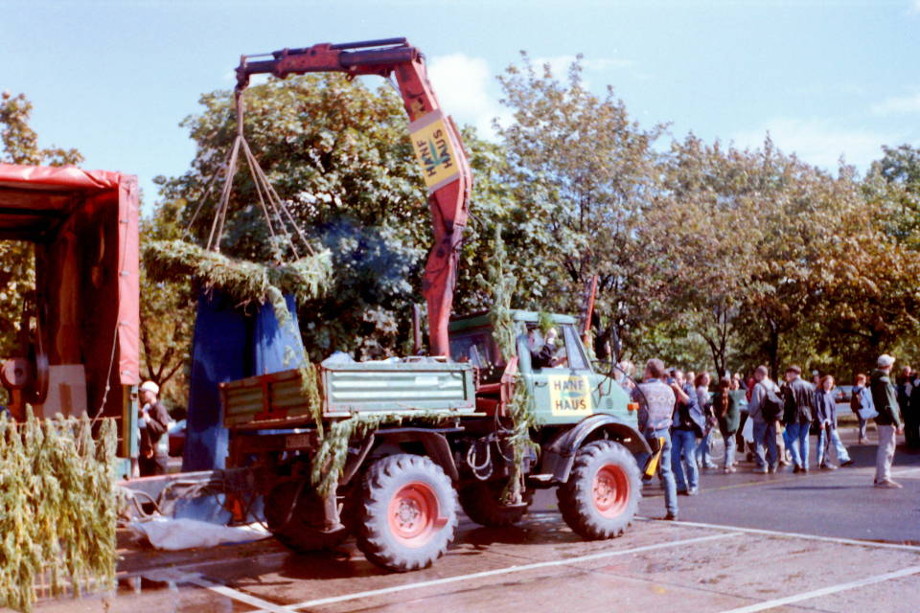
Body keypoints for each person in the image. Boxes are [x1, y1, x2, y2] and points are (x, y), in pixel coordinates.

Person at [633, 359, 678, 520]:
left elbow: (633, 410)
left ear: (649, 372)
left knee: (635, 471)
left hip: (647, 434)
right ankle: (672, 509)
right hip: (664, 433)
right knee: (666, 471)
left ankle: (630, 507)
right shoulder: (669, 390)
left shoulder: (641, 389)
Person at [669, 369, 705, 496]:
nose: (677, 381)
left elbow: (690, 402)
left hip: (688, 429)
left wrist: (678, 389)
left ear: (683, 380)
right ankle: (680, 484)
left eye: (679, 379)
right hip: (675, 429)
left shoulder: (688, 389)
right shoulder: (669, 391)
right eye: (675, 379)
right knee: (673, 458)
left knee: (690, 458)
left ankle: (693, 485)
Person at [871, 354, 903, 488]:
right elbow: (889, 404)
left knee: (884, 447)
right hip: (886, 420)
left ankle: (880, 476)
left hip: (882, 418)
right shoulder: (884, 381)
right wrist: (897, 422)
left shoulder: (879, 379)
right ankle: (883, 478)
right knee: (887, 449)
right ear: (888, 366)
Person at [782, 365, 816, 474]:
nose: (787, 375)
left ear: (793, 373)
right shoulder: (809, 385)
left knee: (791, 439)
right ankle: (805, 464)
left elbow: (788, 405)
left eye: (788, 373)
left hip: (794, 415)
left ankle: (797, 461)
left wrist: (784, 418)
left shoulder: (790, 386)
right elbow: (813, 403)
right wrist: (813, 416)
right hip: (807, 415)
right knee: (804, 439)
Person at [815, 375, 852, 470]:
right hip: (823, 423)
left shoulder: (830, 394)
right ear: (822, 383)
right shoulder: (819, 394)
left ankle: (841, 459)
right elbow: (817, 409)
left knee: (832, 442)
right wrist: (820, 421)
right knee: (824, 443)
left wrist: (834, 422)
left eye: (830, 383)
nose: (829, 385)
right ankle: (823, 461)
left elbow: (833, 410)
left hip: (830, 423)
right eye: (827, 382)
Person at [749, 365, 781, 473]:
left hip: (760, 418)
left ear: (759, 374)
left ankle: (762, 465)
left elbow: (755, 404)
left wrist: (751, 414)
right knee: (771, 441)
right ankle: (773, 464)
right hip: (771, 418)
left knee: (759, 441)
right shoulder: (775, 386)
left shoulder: (758, 386)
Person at [138, 380, 172, 477]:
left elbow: (162, 428)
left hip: (159, 455)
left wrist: (148, 420)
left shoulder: (159, 408)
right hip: (149, 454)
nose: (142, 394)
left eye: (144, 392)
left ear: (153, 393)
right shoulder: (147, 408)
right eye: (141, 392)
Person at [712, 377, 740, 473]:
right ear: (730, 385)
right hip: (732, 424)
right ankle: (728, 465)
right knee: (730, 444)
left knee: (728, 443)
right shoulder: (733, 395)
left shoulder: (716, 396)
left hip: (723, 423)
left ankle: (730, 461)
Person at [694, 372, 718, 470]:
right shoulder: (702, 391)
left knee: (705, 440)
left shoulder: (701, 390)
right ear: (700, 380)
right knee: (707, 440)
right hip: (705, 418)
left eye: (708, 378)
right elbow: (705, 406)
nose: (708, 380)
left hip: (702, 418)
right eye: (705, 378)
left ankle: (698, 458)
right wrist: (712, 417)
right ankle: (706, 461)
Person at [851, 373, 874, 444]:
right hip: (863, 407)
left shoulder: (854, 388)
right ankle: (862, 437)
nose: (865, 381)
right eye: (864, 379)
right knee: (863, 422)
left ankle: (862, 437)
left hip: (856, 407)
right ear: (860, 380)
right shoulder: (863, 389)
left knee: (861, 422)